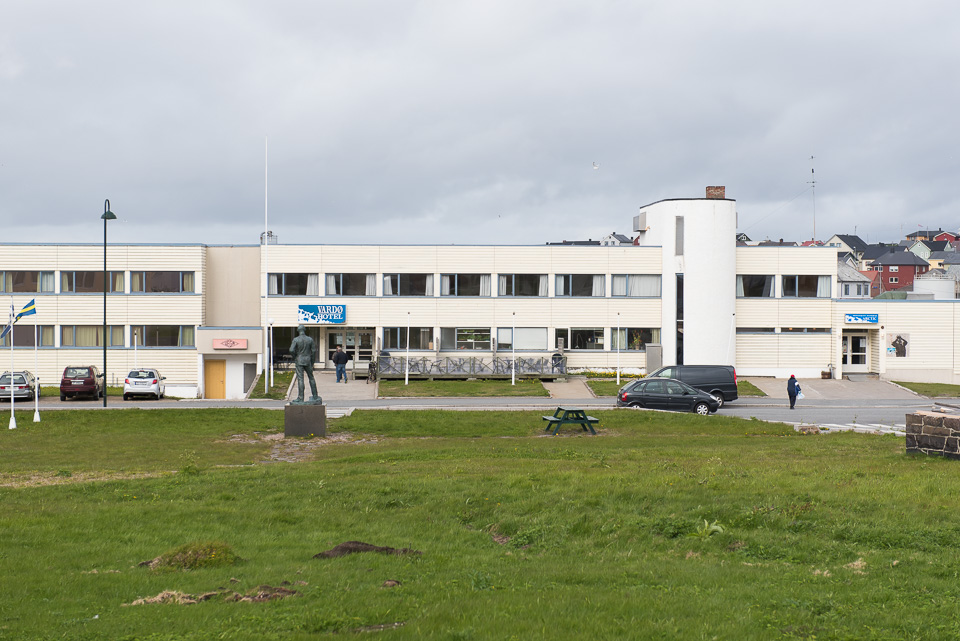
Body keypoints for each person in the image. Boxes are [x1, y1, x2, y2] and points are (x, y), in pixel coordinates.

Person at [289, 325, 319, 403]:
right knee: (311, 378)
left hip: (299, 360)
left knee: (300, 379)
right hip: (308, 360)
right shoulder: (310, 339)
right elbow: (313, 351)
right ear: (304, 330)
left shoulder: (296, 339)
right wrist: (312, 362)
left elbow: (291, 350)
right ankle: (315, 396)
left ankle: (300, 398)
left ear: (298, 331)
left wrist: (295, 357)